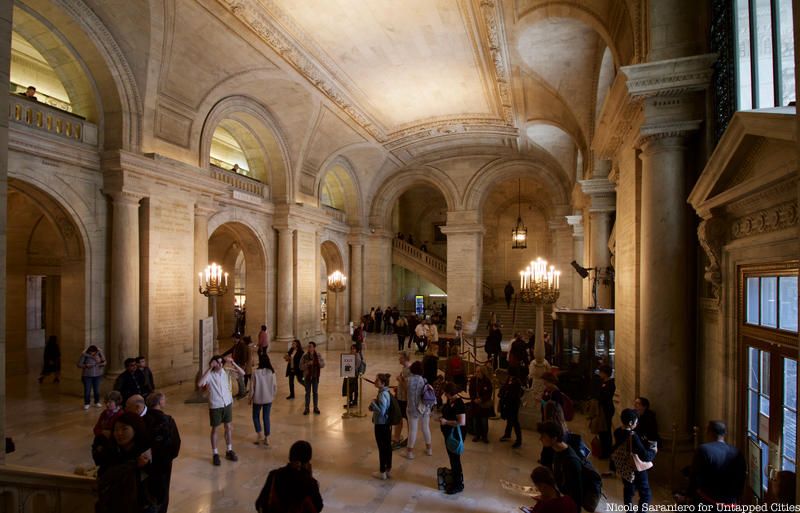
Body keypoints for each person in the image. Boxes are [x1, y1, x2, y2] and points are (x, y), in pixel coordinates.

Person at [92, 412, 154, 513]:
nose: (119, 433)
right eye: (116, 429)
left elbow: (154, 482)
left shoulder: (145, 453)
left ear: (135, 429)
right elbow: (104, 475)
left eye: (124, 429)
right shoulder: (112, 450)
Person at [197, 354, 244, 465]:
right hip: (216, 405)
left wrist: (233, 363)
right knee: (215, 429)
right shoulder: (209, 375)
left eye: (221, 362)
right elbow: (200, 384)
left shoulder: (226, 372)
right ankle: (215, 453)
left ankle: (229, 450)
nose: (220, 364)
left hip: (227, 403)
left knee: (228, 427)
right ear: (213, 363)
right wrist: (209, 368)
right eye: (217, 362)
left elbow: (243, 373)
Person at [255, 440, 323, 513]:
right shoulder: (311, 484)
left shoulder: (274, 475)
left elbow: (259, 503)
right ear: (307, 462)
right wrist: (308, 477)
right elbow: (318, 507)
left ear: (290, 457)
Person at [688, 420, 746, 505]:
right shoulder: (737, 453)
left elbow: (694, 476)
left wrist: (688, 496)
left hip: (707, 501)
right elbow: (741, 479)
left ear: (709, 432)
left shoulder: (703, 450)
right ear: (725, 433)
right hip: (730, 504)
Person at [611, 409, 656, 509]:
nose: (637, 423)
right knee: (646, 494)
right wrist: (653, 451)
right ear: (631, 423)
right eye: (636, 421)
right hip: (636, 468)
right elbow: (644, 455)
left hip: (624, 468)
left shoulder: (617, 432)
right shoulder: (632, 436)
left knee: (628, 491)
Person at [144, 391, 181, 513]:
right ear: (159, 403)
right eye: (164, 400)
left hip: (146, 463)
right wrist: (169, 457)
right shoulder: (167, 420)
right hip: (163, 462)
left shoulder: (142, 420)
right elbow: (175, 443)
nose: (165, 402)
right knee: (162, 492)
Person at [537, 421, 582, 513]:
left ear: (554, 438)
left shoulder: (570, 461)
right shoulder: (557, 451)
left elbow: (574, 494)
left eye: (543, 436)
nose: (540, 439)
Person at [439, 382, 466, 494]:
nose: (444, 395)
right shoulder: (451, 401)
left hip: (455, 435)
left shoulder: (459, 403)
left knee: (455, 459)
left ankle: (458, 484)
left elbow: (461, 422)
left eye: (445, 393)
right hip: (449, 433)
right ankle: (456, 478)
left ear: (450, 393)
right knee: (453, 458)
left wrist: (446, 422)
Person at [405, 361, 432, 459]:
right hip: (424, 408)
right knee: (426, 428)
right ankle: (429, 449)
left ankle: (409, 452)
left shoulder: (409, 380)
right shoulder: (423, 380)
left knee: (413, 430)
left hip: (412, 409)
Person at [369, 373, 393, 480]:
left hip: (381, 424)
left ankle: (382, 471)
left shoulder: (382, 394)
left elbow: (382, 411)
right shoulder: (386, 392)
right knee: (387, 447)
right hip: (386, 424)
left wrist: (373, 403)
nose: (375, 381)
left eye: (377, 380)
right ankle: (388, 469)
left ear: (383, 383)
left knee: (382, 448)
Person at [250, 354, 277, 446]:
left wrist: (250, 398)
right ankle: (267, 438)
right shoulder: (271, 372)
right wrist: (272, 395)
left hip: (257, 398)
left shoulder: (255, 372)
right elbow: (274, 386)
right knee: (266, 417)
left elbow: (252, 387)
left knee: (255, 416)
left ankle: (259, 435)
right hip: (268, 398)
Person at [468, 364, 493, 443]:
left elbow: (489, 393)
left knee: (484, 421)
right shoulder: (473, 380)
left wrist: (481, 399)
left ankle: (484, 436)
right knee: (476, 420)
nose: (476, 373)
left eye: (478, 372)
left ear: (483, 372)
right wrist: (474, 399)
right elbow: (471, 391)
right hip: (475, 404)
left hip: (483, 404)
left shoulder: (487, 381)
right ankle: (477, 435)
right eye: (476, 371)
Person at [594, 364, 615, 458]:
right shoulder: (604, 382)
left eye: (601, 372)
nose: (599, 373)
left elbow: (605, 397)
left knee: (605, 431)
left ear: (605, 373)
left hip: (606, 409)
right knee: (603, 431)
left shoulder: (610, 383)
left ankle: (606, 452)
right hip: (604, 408)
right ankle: (604, 450)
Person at [300, 341, 325, 415]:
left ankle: (315, 407)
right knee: (307, 393)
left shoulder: (318, 355)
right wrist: (307, 364)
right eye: (308, 346)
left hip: (315, 377)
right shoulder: (304, 356)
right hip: (307, 377)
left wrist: (316, 363)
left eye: (310, 346)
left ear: (314, 348)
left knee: (315, 392)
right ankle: (306, 408)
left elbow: (323, 364)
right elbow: (300, 367)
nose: (309, 348)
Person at [392, 351, 411, 448]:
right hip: (400, 398)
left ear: (404, 358)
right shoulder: (404, 368)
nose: (399, 359)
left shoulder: (408, 370)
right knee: (399, 418)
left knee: (406, 419)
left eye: (400, 357)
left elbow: (409, 388)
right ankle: (397, 437)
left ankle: (407, 439)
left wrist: (400, 381)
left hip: (405, 400)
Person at [499, 373, 523, 448]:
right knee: (509, 420)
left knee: (515, 422)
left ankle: (519, 440)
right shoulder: (509, 378)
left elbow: (513, 394)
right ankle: (507, 434)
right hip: (508, 404)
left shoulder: (517, 382)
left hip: (513, 405)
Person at [78, 345, 106, 409]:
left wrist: (101, 363)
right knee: (87, 390)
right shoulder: (84, 356)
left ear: (96, 351)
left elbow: (104, 361)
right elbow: (79, 364)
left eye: (93, 352)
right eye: (90, 352)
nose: (92, 353)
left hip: (97, 375)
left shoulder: (99, 354)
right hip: (87, 376)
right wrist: (86, 365)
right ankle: (87, 403)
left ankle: (97, 402)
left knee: (97, 390)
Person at [221, 333, 249, 399]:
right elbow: (230, 350)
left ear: (236, 338)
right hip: (237, 364)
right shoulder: (236, 344)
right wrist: (222, 355)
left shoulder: (242, 345)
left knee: (240, 379)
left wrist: (242, 364)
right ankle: (241, 392)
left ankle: (243, 393)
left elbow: (244, 356)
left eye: (233, 338)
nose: (232, 339)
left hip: (240, 364)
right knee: (238, 379)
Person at [341, 343, 361, 407]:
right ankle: (350, 401)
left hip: (354, 375)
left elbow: (356, 367)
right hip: (348, 374)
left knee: (353, 389)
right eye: (351, 348)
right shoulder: (350, 355)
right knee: (348, 388)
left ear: (357, 350)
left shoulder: (357, 357)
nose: (352, 350)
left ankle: (354, 402)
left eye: (354, 349)